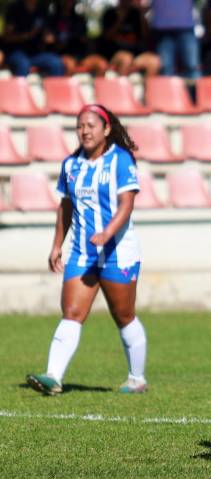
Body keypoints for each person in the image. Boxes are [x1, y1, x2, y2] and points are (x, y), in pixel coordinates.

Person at [26, 104, 147, 396]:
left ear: (106, 129)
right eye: (80, 125)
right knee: (72, 312)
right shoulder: (71, 165)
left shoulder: (121, 160)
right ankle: (53, 377)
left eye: (91, 125)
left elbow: (126, 204)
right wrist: (57, 245)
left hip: (117, 252)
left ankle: (137, 378)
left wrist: (107, 233)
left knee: (124, 315)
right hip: (82, 252)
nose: (85, 131)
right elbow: (65, 207)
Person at [3, 0, 65, 77]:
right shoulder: (14, 8)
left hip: (35, 53)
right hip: (16, 52)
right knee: (23, 64)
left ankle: (55, 88)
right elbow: (7, 37)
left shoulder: (42, 10)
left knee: (56, 63)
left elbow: (46, 32)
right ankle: (21, 88)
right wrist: (27, 35)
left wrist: (48, 37)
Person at [100, 0, 162, 77]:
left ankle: (149, 88)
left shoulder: (135, 14)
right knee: (126, 58)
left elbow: (146, 36)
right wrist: (120, 19)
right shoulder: (109, 13)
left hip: (136, 54)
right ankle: (122, 88)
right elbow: (106, 36)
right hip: (115, 55)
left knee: (154, 61)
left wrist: (141, 15)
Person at [150, 0, 201, 78]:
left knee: (192, 67)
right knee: (166, 68)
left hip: (185, 27)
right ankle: (167, 90)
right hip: (162, 29)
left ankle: (194, 90)